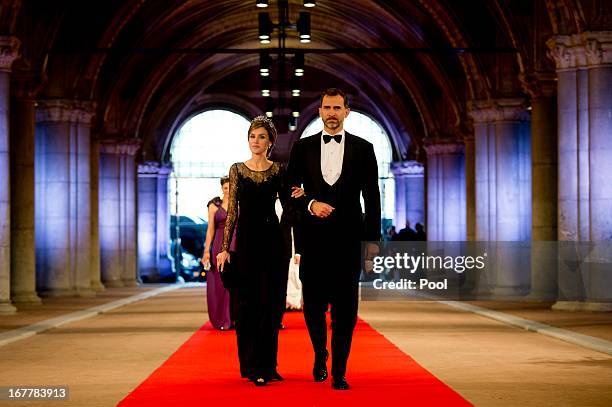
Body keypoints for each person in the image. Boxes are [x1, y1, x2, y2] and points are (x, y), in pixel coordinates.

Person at [286, 88, 381, 390]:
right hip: (312, 241)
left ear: (347, 112)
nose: (331, 113)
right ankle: (319, 354)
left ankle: (339, 371)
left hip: (349, 242)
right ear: (319, 112)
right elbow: (289, 189)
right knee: (313, 308)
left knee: (346, 312)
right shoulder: (302, 148)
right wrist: (311, 204)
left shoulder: (364, 149)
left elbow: (373, 199)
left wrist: (372, 243)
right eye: (326, 107)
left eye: (337, 108)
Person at [217, 116, 304, 386]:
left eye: (261, 137)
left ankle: (269, 365)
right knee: (249, 305)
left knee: (271, 305)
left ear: (270, 142)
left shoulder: (279, 170)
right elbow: (232, 214)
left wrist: (298, 197)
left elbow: (289, 204)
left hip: (274, 241)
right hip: (247, 242)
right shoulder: (237, 170)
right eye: (253, 136)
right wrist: (224, 249)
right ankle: (253, 366)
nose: (256, 141)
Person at [201, 177, 235, 330]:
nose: (228, 190)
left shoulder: (239, 204)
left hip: (236, 245)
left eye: (231, 187)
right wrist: (206, 251)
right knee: (220, 284)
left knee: (236, 284)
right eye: (226, 187)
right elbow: (210, 230)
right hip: (218, 246)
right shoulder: (214, 206)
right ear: (222, 188)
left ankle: (235, 318)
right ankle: (222, 319)